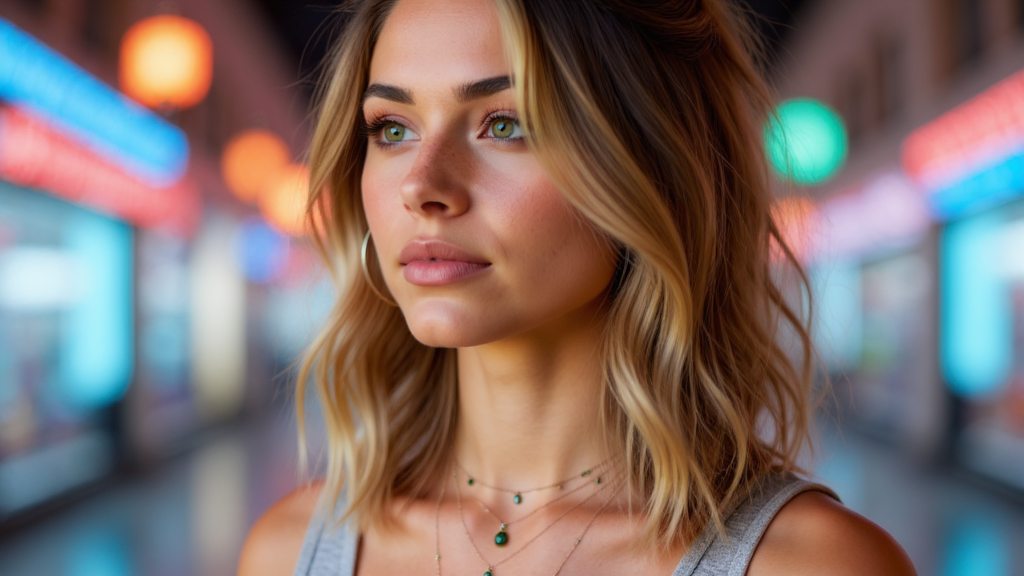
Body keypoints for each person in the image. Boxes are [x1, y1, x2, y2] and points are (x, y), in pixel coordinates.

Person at [239, 0, 918, 574]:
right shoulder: (288, 549)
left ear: (647, 166)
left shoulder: (812, 562)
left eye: (505, 124)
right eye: (392, 129)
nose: (422, 186)